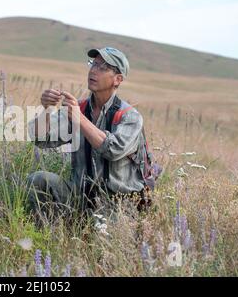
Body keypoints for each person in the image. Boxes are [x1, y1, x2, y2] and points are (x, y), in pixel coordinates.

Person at [26, 47, 152, 224]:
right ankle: (50, 235)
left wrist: (80, 120)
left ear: (118, 79)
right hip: (80, 197)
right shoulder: (79, 108)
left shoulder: (130, 117)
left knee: (101, 236)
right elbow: (40, 139)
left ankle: (84, 229)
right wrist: (46, 110)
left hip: (117, 204)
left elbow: (113, 149)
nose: (93, 70)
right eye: (94, 64)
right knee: (38, 180)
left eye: (103, 67)